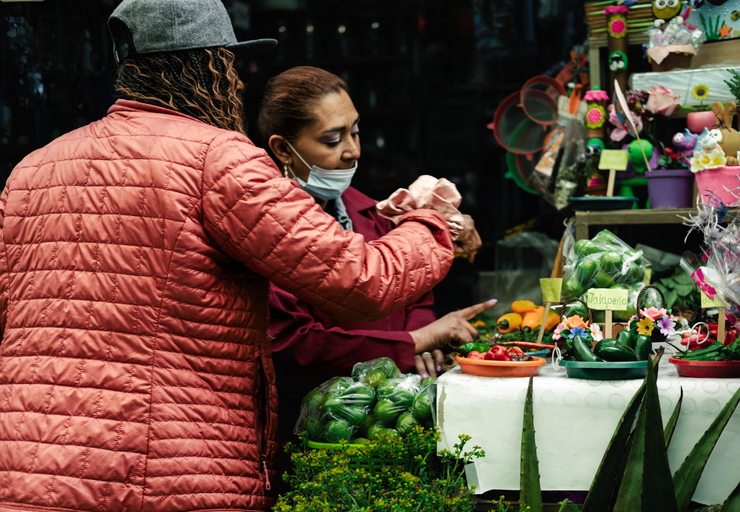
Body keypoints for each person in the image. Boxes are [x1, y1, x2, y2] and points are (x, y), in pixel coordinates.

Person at [0, 1, 482, 511]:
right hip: (168, 472)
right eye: (229, 67)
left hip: (30, 469)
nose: (234, 82)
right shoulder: (220, 159)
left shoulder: (32, 169)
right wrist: (433, 224)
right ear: (213, 66)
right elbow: (361, 281)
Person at [252, 66, 495, 447]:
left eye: (356, 131)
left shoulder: (370, 212)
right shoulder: (266, 230)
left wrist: (423, 342)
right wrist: (414, 342)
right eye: (333, 140)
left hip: (395, 416)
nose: (354, 151)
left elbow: (414, 292)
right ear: (283, 148)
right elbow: (296, 345)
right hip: (320, 429)